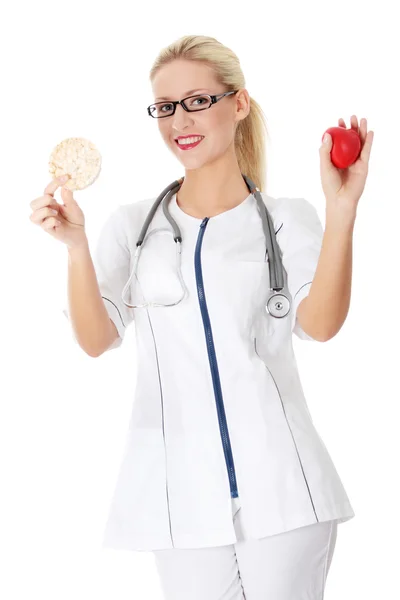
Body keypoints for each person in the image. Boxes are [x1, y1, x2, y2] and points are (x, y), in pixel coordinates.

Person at [29, 34, 374, 600]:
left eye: (196, 100)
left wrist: (342, 210)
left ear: (237, 104)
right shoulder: (131, 227)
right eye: (165, 107)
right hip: (178, 498)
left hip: (284, 486)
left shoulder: (287, 219)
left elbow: (321, 322)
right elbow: (96, 341)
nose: (178, 120)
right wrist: (74, 247)